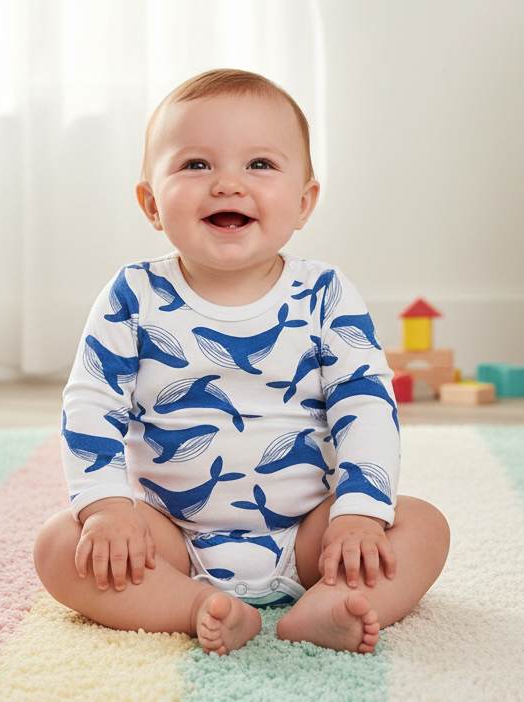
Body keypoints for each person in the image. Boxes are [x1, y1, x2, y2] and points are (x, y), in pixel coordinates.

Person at [34, 68, 450, 657]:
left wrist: (357, 515)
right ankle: (193, 606)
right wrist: (106, 508)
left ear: (304, 203)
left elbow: (365, 402)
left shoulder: (326, 294)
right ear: (152, 204)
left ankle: (325, 605)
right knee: (58, 545)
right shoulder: (133, 295)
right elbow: (92, 401)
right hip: (168, 536)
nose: (228, 184)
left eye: (260, 165)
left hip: (312, 533)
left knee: (423, 526)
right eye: (196, 165)